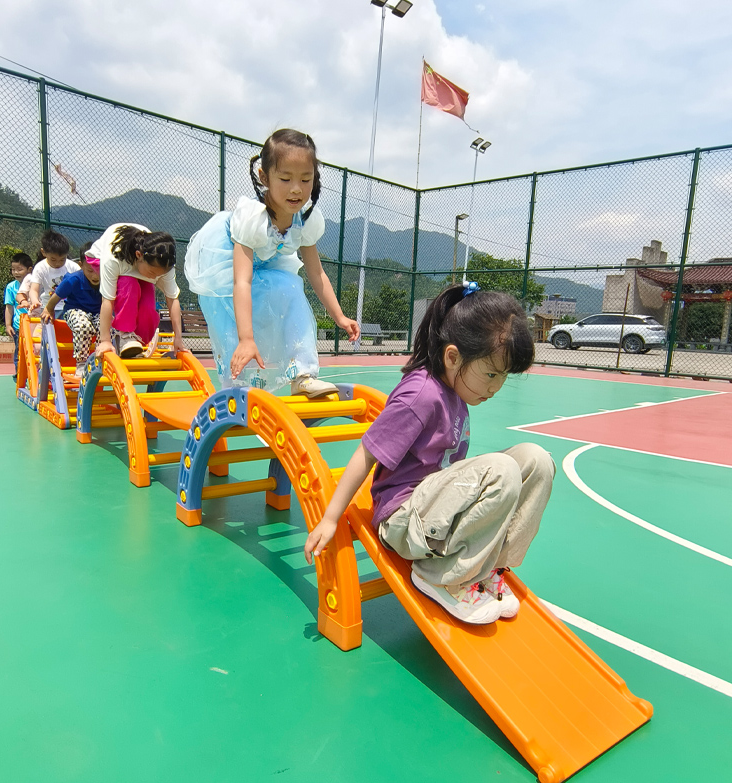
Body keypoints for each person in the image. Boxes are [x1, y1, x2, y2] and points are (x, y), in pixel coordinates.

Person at [304, 284, 556, 625]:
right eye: (491, 374)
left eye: (503, 377)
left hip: (438, 514)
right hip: (404, 521)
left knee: (536, 460)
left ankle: (490, 567)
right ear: (452, 357)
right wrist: (331, 518)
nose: (496, 387)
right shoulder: (420, 395)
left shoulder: (456, 390)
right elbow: (367, 453)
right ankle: (442, 577)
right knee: (502, 470)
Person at [185, 128, 359, 396]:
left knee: (291, 289)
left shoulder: (306, 220)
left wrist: (339, 316)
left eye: (306, 179)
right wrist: (246, 339)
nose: (296, 188)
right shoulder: (252, 217)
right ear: (264, 177)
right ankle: (236, 386)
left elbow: (317, 274)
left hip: (268, 267)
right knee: (231, 318)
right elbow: (241, 281)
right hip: (228, 269)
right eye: (285, 178)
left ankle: (302, 375)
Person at [87, 223, 187, 359]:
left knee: (148, 305)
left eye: (159, 275)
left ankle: (137, 341)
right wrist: (105, 341)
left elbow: (172, 299)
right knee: (129, 284)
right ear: (139, 255)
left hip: (138, 267)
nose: (154, 277)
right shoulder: (114, 259)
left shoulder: (163, 263)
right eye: (152, 273)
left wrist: (178, 338)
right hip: (100, 258)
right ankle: (124, 336)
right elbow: (107, 300)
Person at [41, 242, 102, 379]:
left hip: (98, 313)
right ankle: (81, 363)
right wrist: (48, 309)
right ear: (81, 265)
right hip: (75, 310)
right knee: (83, 326)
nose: (95, 276)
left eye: (99, 270)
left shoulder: (107, 279)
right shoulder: (73, 279)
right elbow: (57, 296)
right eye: (90, 270)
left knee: (107, 326)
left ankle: (100, 360)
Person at [28, 230, 80, 315]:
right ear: (43, 252)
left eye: (62, 259)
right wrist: (35, 301)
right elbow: (34, 289)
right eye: (53, 259)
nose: (58, 263)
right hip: (47, 307)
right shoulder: (40, 267)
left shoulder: (73, 267)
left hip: (70, 307)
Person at [4, 252, 34, 380]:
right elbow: (9, 306)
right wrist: (8, 325)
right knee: (19, 352)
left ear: (29, 269)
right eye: (13, 269)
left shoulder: (35, 284)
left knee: (35, 350)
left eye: (19, 269)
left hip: (34, 324)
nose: (16, 272)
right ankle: (19, 375)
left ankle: (35, 375)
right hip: (18, 326)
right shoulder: (11, 287)